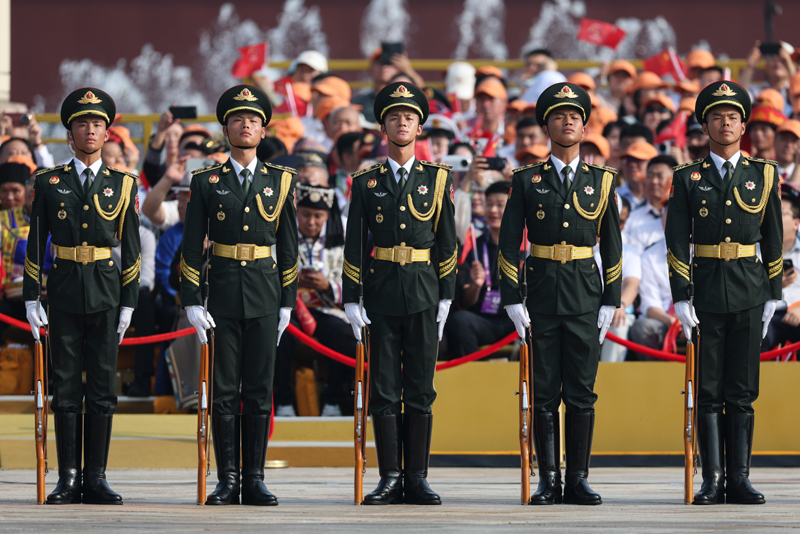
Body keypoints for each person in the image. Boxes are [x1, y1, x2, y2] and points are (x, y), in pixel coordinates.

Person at [499, 82, 622, 505]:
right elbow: (509, 243)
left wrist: (611, 298)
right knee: (545, 390)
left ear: (585, 128)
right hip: (541, 293)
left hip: (585, 294)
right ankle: (549, 479)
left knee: (582, 391)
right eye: (558, 116)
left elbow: (613, 246)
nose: (567, 122)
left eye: (574, 116)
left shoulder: (602, 181)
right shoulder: (526, 179)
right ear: (546, 126)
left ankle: (578, 477)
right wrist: (512, 297)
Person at [180, 85, 298, 506]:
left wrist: (288, 301)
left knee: (259, 388)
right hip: (224, 292)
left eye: (253, 120)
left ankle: (255, 478)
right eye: (237, 119)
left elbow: (289, 247)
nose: (245, 125)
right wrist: (191, 300)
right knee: (225, 388)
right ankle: (228, 479)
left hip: (265, 291)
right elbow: (192, 246)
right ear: (225, 129)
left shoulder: (280, 180)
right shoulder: (206, 181)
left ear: (264, 130)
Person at [666, 81, 782, 505]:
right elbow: (676, 240)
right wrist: (682, 295)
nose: (725, 123)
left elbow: (773, 237)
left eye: (733, 116)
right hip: (707, 291)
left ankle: (740, 478)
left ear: (744, 125)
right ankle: (713, 479)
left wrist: (773, 292)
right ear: (704, 125)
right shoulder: (687, 177)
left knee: (743, 390)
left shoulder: (763, 174)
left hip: (750, 288)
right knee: (708, 389)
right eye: (717, 117)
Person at [23, 88, 141, 505]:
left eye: (97, 124)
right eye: (81, 124)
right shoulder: (48, 182)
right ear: (69, 133)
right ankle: (68, 477)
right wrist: (31, 298)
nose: (90, 130)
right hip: (65, 288)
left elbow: (132, 248)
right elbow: (36, 243)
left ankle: (97, 477)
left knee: (104, 386)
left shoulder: (122, 184)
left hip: (107, 289)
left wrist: (129, 301)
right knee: (67, 385)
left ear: (108, 134)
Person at [342, 81, 457, 505]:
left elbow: (447, 242)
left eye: (409, 117)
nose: (402, 122)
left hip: (424, 289)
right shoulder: (366, 182)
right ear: (383, 126)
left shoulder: (437, 178)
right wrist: (350, 297)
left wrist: (447, 294)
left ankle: (418, 477)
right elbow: (355, 243)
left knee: (421, 387)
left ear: (420, 127)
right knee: (385, 386)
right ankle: (390, 476)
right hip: (382, 290)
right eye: (394, 117)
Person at [274, 183, 352, 417]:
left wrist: (328, 286)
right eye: (305, 214)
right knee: (279, 333)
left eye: (318, 216)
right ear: (296, 212)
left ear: (327, 216)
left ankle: (333, 400)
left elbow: (354, 284)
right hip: (289, 310)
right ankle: (282, 401)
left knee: (343, 334)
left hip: (327, 310)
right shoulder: (281, 239)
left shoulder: (341, 242)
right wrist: (290, 283)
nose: (311, 222)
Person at [444, 181, 516, 359]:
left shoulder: (526, 246)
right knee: (460, 321)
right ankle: (472, 372)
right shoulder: (475, 247)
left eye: (499, 205)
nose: (493, 210)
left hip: (516, 320)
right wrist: (476, 286)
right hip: (485, 321)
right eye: (489, 204)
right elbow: (466, 303)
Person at [761, 184, 800, 349]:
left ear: (796, 224)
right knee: (752, 337)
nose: (774, 216)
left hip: (797, 312)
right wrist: (772, 287)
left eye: (781, 212)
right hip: (765, 316)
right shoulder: (751, 252)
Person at [623, 155, 676, 253]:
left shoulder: (687, 223)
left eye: (660, 176)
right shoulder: (631, 218)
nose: (654, 181)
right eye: (650, 176)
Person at [774, 119, 800, 183]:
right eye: (784, 139)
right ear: (774, 141)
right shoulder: (762, 170)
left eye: (794, 141)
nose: (788, 145)